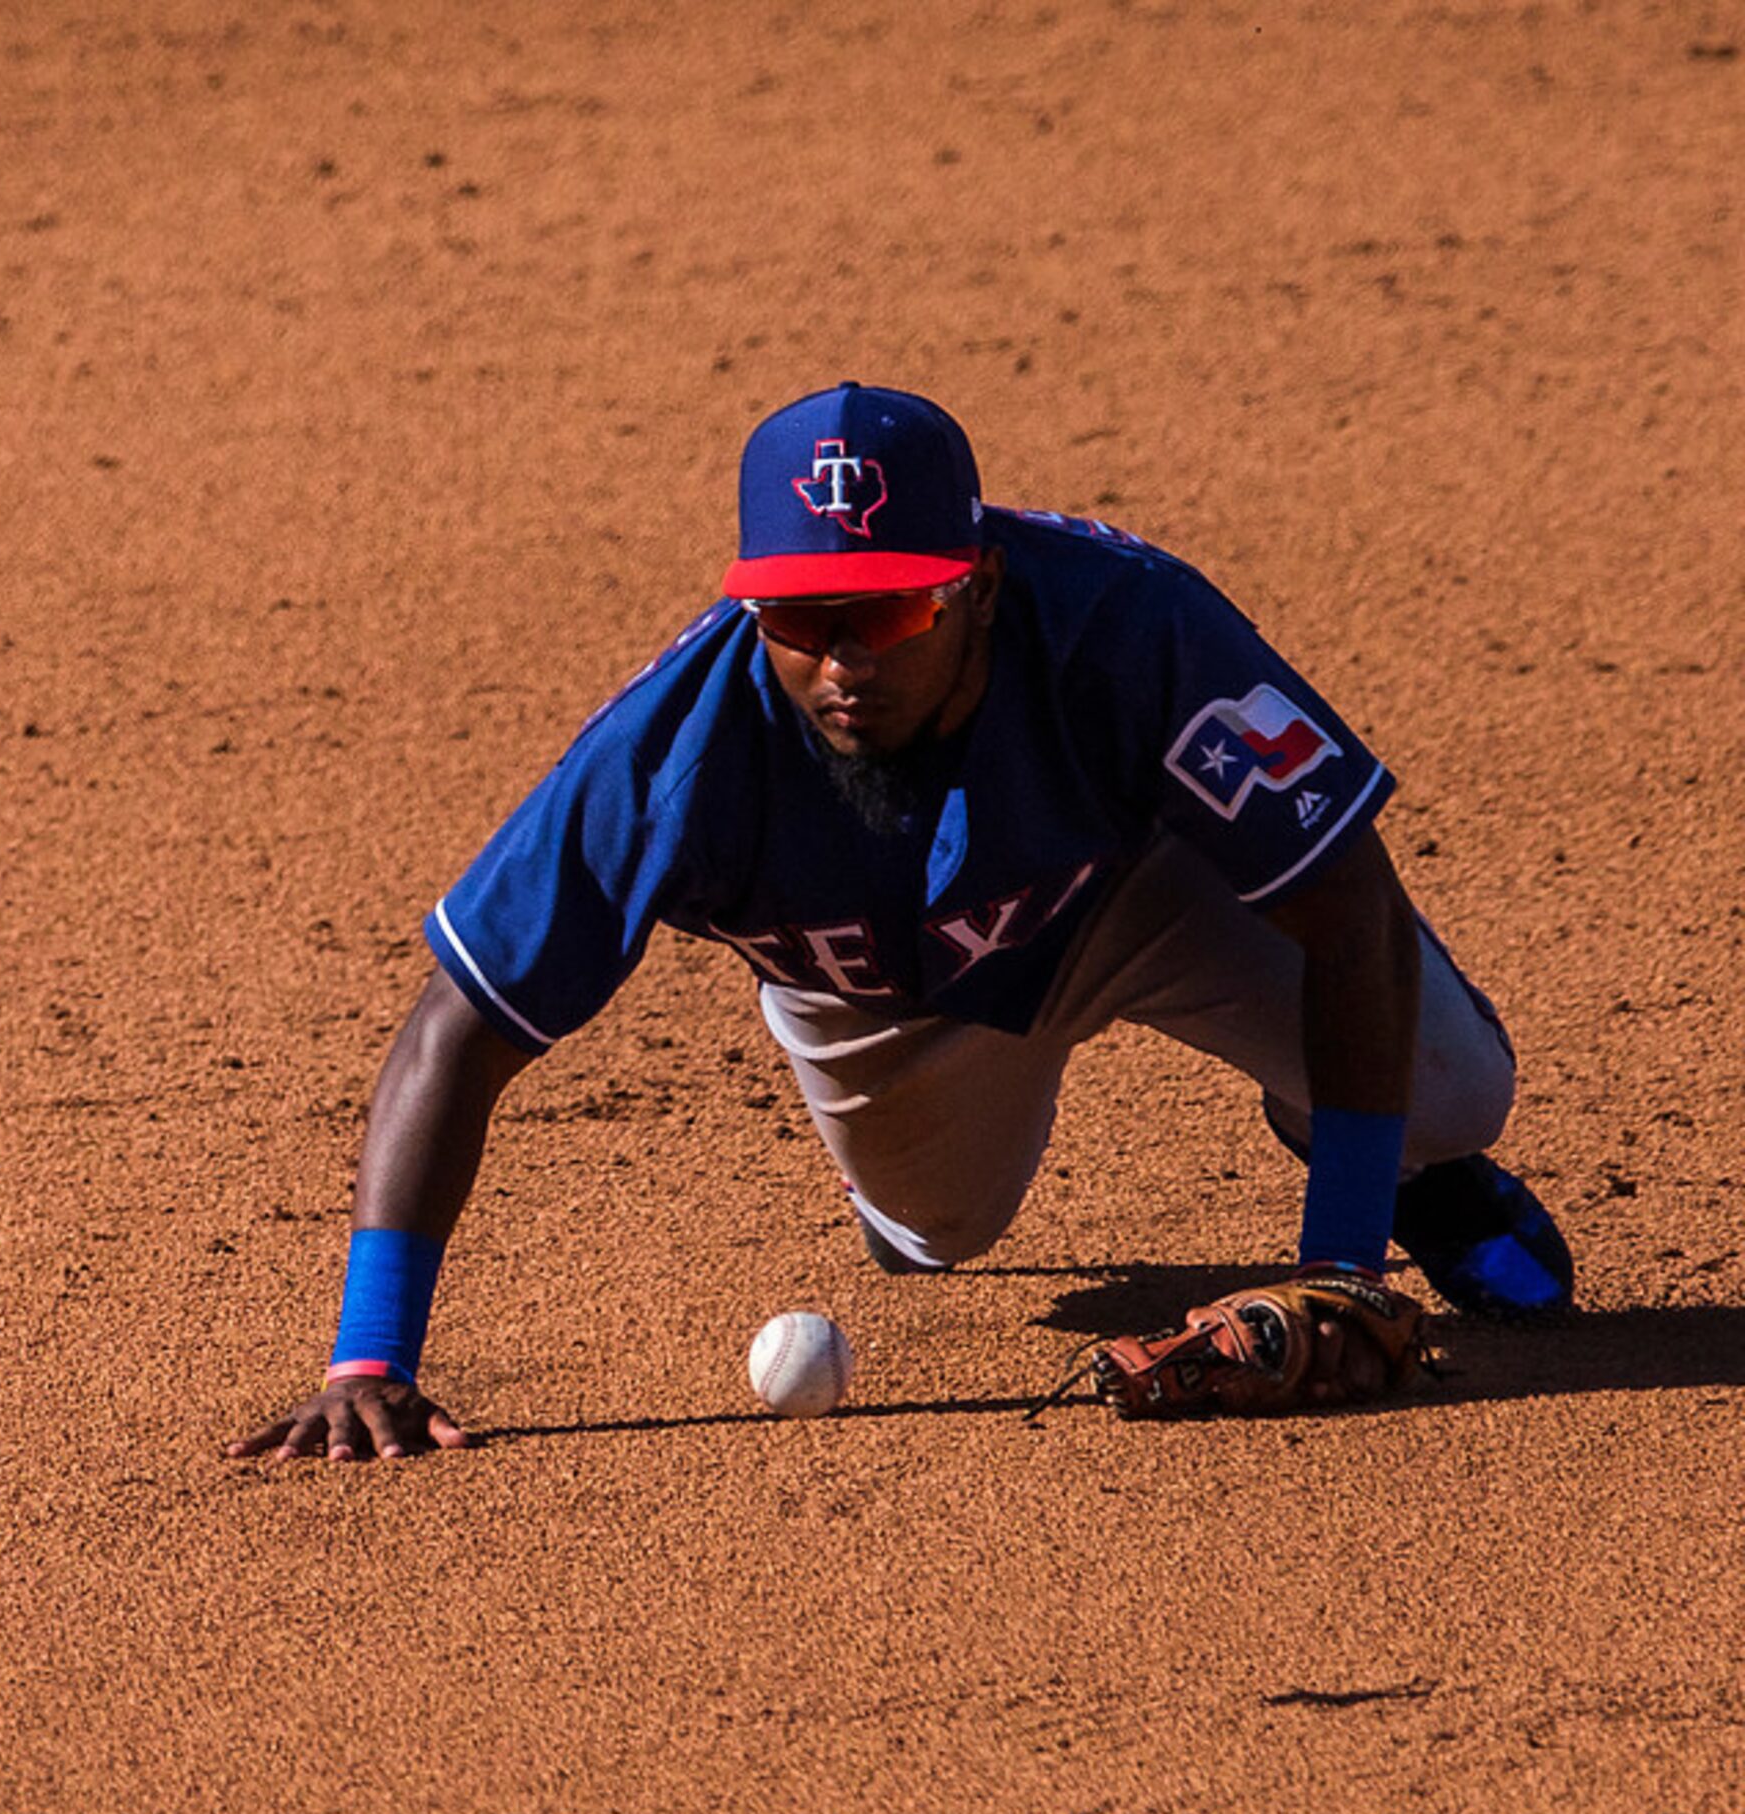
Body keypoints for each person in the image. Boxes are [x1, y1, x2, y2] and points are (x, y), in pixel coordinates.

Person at [227, 382, 1573, 1463]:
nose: (843, 657)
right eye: (801, 617)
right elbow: (458, 1025)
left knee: (1455, 1087)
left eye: (888, 606)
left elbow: (1349, 906)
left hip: (1145, 894)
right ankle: (896, 1187)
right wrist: (369, 1354)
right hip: (884, 997)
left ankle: (1412, 1175)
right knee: (941, 1232)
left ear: (978, 583)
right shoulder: (674, 753)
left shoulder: (1133, 628)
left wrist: (1338, 1259)